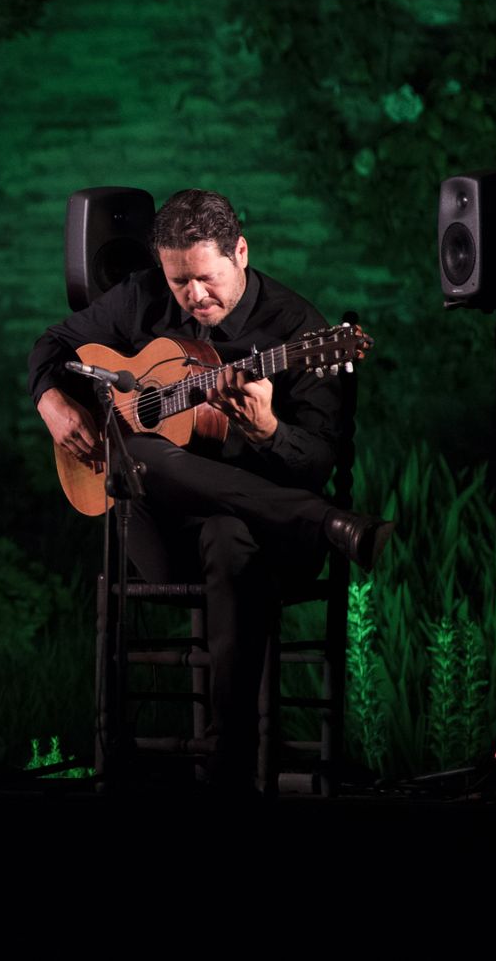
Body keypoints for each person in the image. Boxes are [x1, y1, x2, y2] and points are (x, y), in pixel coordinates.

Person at [28, 188, 392, 791]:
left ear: (240, 251)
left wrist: (270, 432)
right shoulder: (143, 296)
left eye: (205, 278)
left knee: (230, 539)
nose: (194, 296)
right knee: (137, 447)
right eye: (179, 283)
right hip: (162, 535)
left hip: (268, 542)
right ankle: (327, 520)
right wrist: (53, 402)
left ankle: (227, 764)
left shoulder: (301, 331)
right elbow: (53, 343)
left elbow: (318, 457)